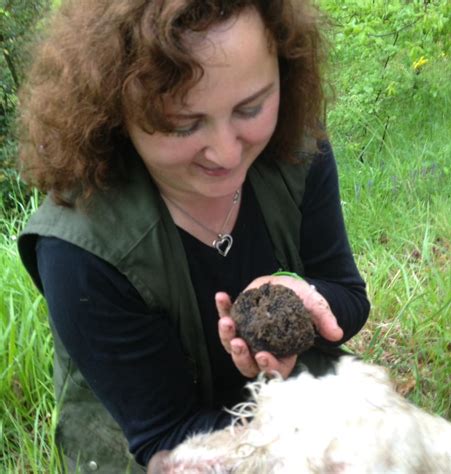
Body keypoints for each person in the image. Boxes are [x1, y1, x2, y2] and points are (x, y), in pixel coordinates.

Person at [17, 0, 370, 472]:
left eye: (251, 107)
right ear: (115, 110)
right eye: (183, 124)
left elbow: (346, 295)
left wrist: (307, 302)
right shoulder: (79, 246)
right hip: (153, 448)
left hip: (280, 404)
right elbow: (163, 438)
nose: (225, 153)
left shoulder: (297, 152)